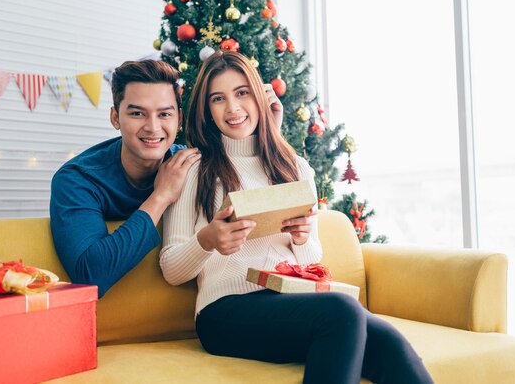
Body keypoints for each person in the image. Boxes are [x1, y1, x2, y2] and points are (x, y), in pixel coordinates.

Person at [159, 51, 434, 384]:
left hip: (290, 301)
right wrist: (207, 241)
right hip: (224, 312)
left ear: (260, 97)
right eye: (219, 98)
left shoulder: (294, 167)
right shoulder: (194, 169)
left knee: (386, 340)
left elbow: (311, 255)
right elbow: (172, 269)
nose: (232, 108)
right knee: (344, 312)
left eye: (242, 93)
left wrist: (302, 238)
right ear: (207, 109)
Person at [49, 59, 284, 298]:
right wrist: (160, 197)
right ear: (115, 118)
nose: (153, 127)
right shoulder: (76, 179)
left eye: (164, 114)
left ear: (179, 119)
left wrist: (271, 132)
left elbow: (242, 168)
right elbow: (91, 275)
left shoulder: (191, 164)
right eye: (137, 113)